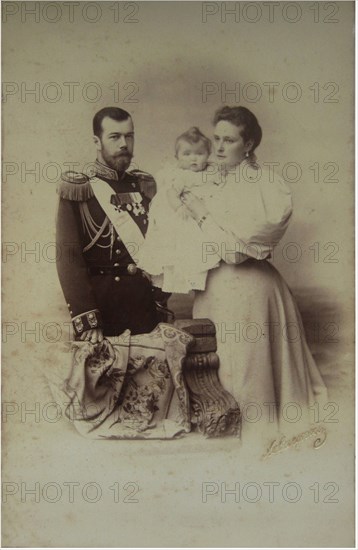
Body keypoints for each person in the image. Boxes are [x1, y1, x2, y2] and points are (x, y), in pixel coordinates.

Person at [178, 106, 328, 435]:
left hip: (250, 293)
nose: (217, 147)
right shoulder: (209, 180)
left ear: (248, 145)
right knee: (217, 371)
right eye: (216, 138)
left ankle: (258, 437)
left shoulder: (265, 186)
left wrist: (202, 215)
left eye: (228, 140)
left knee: (248, 373)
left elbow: (234, 253)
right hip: (213, 289)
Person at [56, 107, 167, 344]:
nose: (124, 143)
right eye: (114, 137)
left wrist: (160, 300)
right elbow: (68, 257)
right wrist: (88, 318)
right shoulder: (79, 189)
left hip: (145, 309)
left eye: (129, 136)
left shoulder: (144, 186)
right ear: (97, 141)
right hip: (103, 313)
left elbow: (164, 243)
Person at [137, 127, 221, 293]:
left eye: (199, 153)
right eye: (187, 154)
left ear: (208, 154)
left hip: (206, 212)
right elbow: (171, 193)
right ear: (177, 157)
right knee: (186, 245)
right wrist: (179, 207)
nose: (193, 159)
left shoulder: (212, 173)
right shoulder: (181, 176)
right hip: (187, 214)